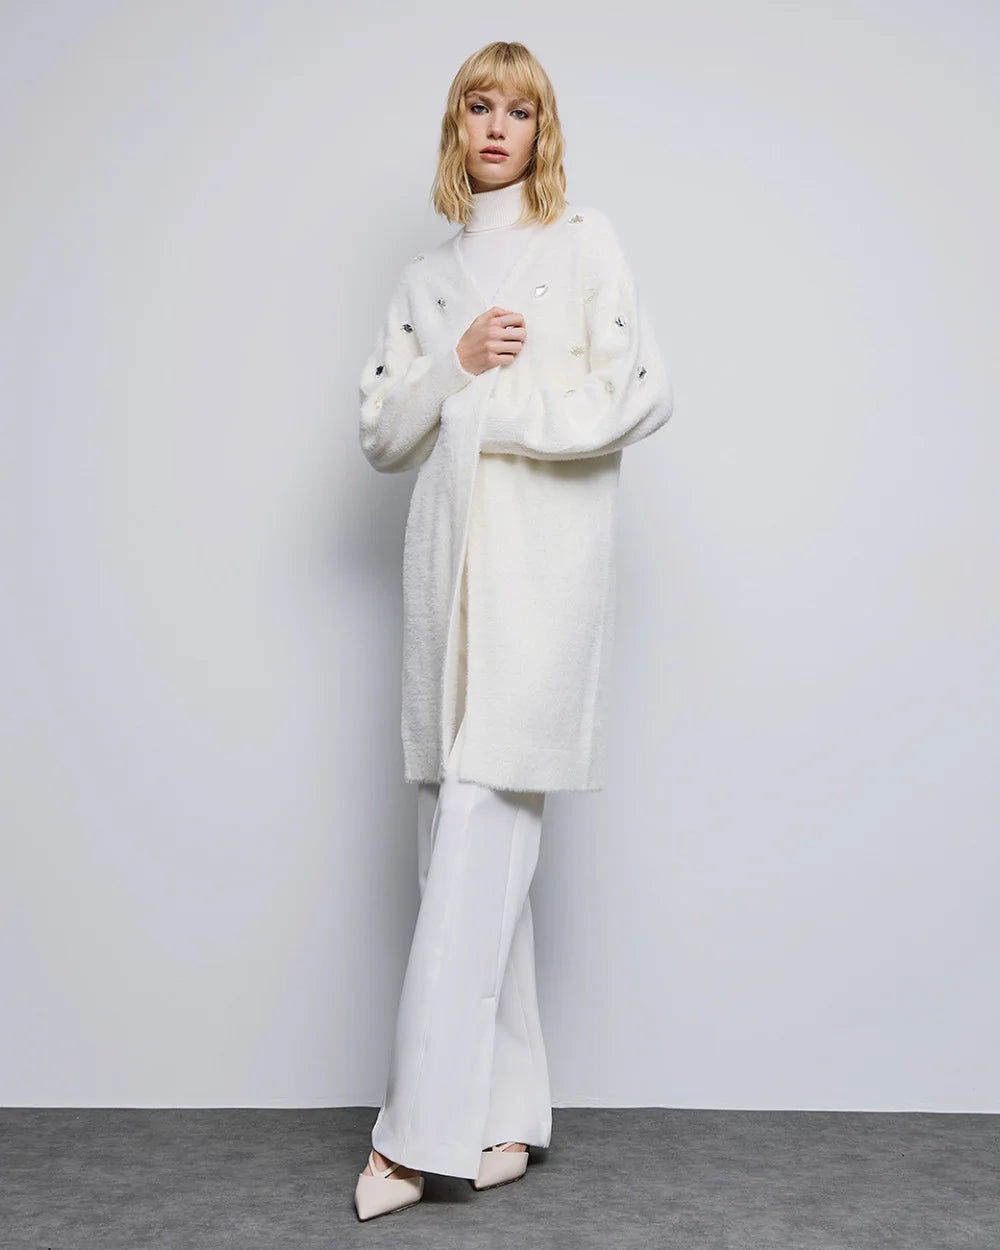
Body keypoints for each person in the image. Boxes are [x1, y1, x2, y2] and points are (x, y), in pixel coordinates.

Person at [354, 40, 674, 1221]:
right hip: (441, 590)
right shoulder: (424, 278)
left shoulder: (584, 242)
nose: (497, 126)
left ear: (545, 129)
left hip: (540, 583)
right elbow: (380, 432)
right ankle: (508, 1112)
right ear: (457, 126)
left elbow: (639, 389)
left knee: (476, 844)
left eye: (520, 109)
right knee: (456, 849)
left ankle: (409, 1136)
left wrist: (491, 415)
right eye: (478, 106)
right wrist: (454, 367)